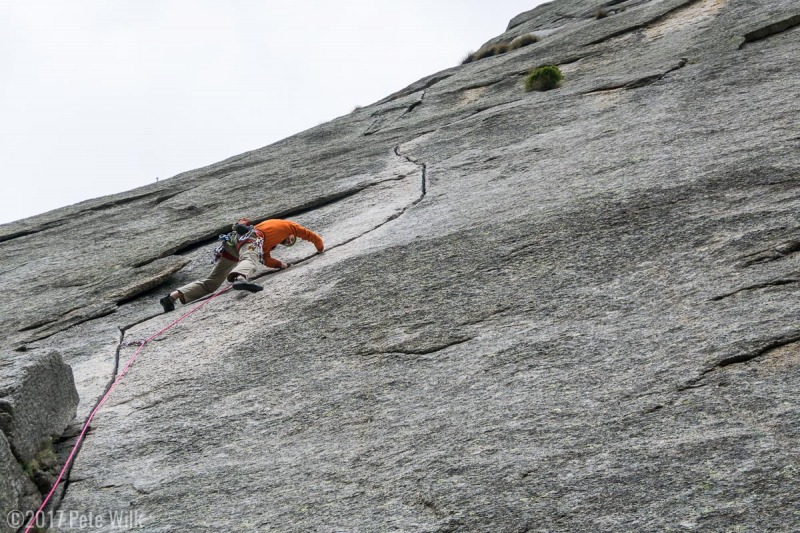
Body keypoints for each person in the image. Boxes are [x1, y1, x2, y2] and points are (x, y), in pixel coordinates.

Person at [159, 218, 324, 312]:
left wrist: (283, 265)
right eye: (290, 239)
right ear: (292, 234)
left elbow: (266, 259)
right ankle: (240, 278)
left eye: (289, 244)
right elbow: (310, 235)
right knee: (250, 260)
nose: (288, 242)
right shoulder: (290, 227)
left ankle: (172, 297)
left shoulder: (268, 245)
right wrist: (320, 249)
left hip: (233, 247)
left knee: (212, 283)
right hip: (250, 239)